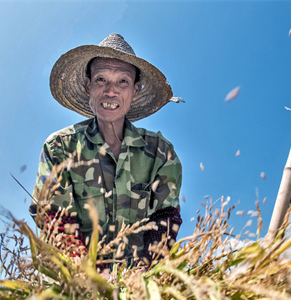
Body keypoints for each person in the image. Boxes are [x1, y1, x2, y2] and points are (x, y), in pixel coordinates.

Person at [30, 33, 183, 268]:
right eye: (101, 79)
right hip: (73, 281)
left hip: (138, 282)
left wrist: (141, 277)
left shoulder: (161, 154)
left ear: (136, 91)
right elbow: (54, 217)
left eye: (123, 81)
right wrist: (88, 275)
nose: (111, 91)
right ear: (88, 86)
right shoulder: (60, 147)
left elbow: (165, 219)